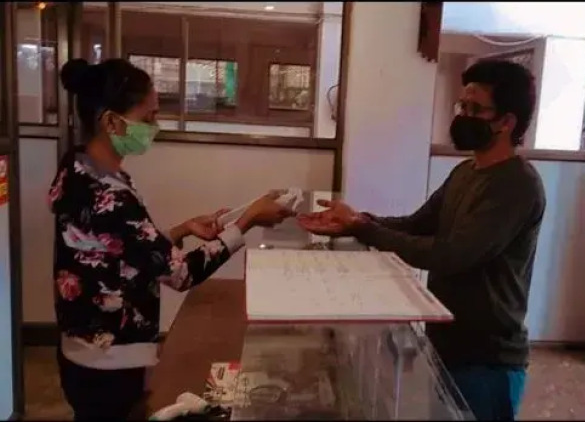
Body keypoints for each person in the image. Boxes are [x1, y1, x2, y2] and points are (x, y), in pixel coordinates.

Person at [298, 60, 546, 420]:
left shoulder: (517, 185)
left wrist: (365, 229)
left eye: (476, 109)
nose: (463, 116)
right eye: (462, 106)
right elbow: (417, 224)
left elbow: (450, 255)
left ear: (507, 122)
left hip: (488, 360)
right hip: (447, 345)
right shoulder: (465, 172)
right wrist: (357, 222)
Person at [48, 58, 294, 420]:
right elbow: (181, 275)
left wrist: (181, 230)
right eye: (147, 118)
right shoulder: (111, 195)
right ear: (111, 122)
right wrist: (247, 221)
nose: (154, 127)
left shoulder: (77, 169)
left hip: (81, 353)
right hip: (109, 363)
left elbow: (113, 249)